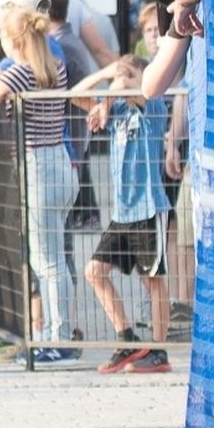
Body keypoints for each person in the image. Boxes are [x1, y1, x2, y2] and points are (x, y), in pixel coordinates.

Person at [0, 0, 79, 366]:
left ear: (14, 39)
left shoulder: (18, 73)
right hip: (60, 162)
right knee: (55, 258)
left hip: (38, 168)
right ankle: (56, 333)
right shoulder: (53, 66)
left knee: (46, 261)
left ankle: (58, 339)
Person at [76, 57, 172, 374]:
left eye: (129, 73)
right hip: (122, 211)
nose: (121, 78)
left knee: (152, 280)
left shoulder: (152, 104)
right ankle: (126, 337)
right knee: (94, 272)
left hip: (148, 208)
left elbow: (136, 88)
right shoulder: (116, 109)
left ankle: (159, 351)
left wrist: (119, 83)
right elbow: (74, 95)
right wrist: (106, 73)